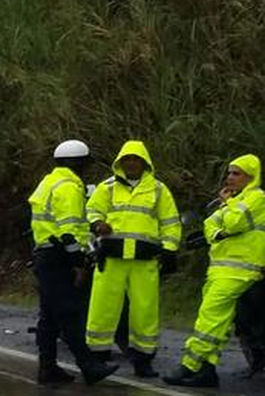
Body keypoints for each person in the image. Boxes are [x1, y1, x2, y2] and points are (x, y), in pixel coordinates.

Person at [163, 154, 265, 387]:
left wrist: (224, 211)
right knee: (217, 323)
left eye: (236, 173)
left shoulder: (257, 198)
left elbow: (232, 224)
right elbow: (210, 227)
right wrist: (220, 223)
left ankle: (189, 365)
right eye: (229, 172)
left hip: (240, 271)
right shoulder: (236, 201)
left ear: (251, 177)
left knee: (209, 319)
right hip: (221, 270)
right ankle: (207, 371)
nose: (230, 177)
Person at [85, 140, 181, 377]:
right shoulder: (106, 188)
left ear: (144, 163)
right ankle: (97, 358)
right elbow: (92, 210)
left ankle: (143, 360)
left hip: (144, 260)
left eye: (136, 159)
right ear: (120, 163)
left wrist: (169, 250)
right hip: (112, 257)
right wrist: (98, 224)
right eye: (126, 159)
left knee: (145, 310)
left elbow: (170, 222)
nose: (131, 163)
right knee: (102, 308)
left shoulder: (159, 190)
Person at [28, 139, 119, 385]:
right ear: (79, 163)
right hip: (59, 257)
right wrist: (78, 262)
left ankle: (47, 369)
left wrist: (90, 228)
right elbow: (68, 231)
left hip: (45, 254)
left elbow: (63, 223)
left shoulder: (49, 182)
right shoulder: (69, 187)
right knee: (69, 313)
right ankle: (89, 366)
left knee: (49, 317)